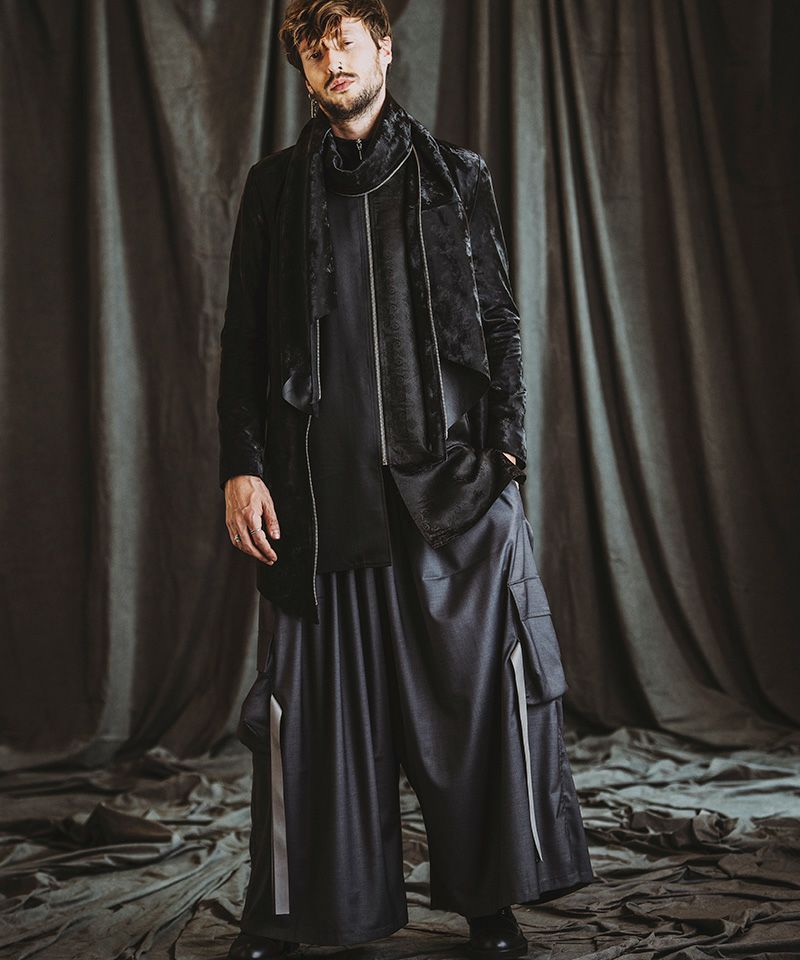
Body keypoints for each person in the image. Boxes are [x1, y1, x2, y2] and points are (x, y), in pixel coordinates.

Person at [217, 3, 595, 958]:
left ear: (383, 48)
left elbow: (500, 325)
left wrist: (506, 456)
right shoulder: (274, 189)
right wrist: (242, 467)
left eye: (346, 40)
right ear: (304, 70)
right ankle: (291, 915)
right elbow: (244, 344)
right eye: (315, 49)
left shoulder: (455, 176)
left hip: (446, 507)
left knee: (473, 721)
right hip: (319, 508)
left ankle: (490, 906)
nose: (331, 60)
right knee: (314, 732)